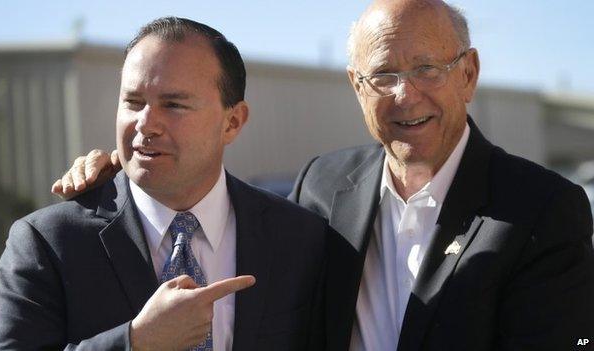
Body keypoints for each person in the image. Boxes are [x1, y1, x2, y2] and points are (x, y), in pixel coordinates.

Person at [52, 1, 594, 350]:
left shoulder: (543, 209)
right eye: (382, 75)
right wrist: (127, 168)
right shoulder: (324, 187)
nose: (406, 94)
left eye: (428, 68)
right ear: (357, 88)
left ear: (468, 74)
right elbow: (208, 189)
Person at [0, 17, 329, 351]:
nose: (145, 124)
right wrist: (137, 342)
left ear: (233, 121)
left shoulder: (297, 237)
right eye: (133, 102)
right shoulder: (47, 244)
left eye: (174, 104)